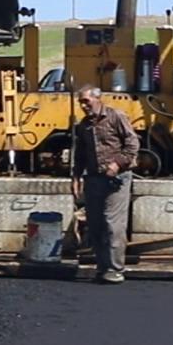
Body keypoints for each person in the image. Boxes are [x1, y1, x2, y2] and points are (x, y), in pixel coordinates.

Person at [70, 85, 139, 284]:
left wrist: (118, 163)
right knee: (96, 224)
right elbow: (80, 154)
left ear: (97, 99)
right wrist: (76, 177)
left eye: (86, 101)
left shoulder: (116, 117)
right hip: (93, 178)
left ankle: (115, 269)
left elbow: (132, 143)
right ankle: (102, 267)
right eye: (81, 102)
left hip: (117, 179)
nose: (83, 106)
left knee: (112, 223)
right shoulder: (84, 125)